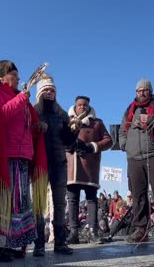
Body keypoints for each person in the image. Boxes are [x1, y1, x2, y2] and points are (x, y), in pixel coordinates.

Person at [0, 60, 48, 261]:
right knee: (2, 202)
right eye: (15, 74)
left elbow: (22, 126)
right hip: (2, 156)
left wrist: (37, 128)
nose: (19, 78)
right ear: (2, 77)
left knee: (19, 203)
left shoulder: (18, 98)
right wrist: (21, 99)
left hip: (21, 156)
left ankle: (14, 245)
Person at [118, 78, 154, 244]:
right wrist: (125, 145)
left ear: (150, 92)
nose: (141, 93)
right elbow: (123, 129)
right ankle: (140, 229)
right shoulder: (129, 110)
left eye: (145, 90)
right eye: (139, 90)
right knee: (137, 195)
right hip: (134, 157)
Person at [33, 73, 75, 256]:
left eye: (52, 90)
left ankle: (60, 243)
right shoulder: (33, 111)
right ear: (40, 93)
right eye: (46, 90)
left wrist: (73, 130)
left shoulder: (62, 114)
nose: (50, 92)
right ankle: (39, 245)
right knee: (39, 205)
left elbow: (68, 142)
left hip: (59, 162)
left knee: (59, 204)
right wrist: (36, 128)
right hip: (40, 163)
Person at [65, 95, 112, 244]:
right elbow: (59, 138)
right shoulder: (67, 121)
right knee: (72, 199)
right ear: (75, 106)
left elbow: (109, 141)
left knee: (91, 199)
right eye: (80, 104)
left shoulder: (97, 123)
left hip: (89, 166)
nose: (82, 107)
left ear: (89, 107)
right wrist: (69, 145)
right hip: (71, 166)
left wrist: (92, 146)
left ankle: (93, 230)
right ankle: (74, 232)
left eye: (85, 105)